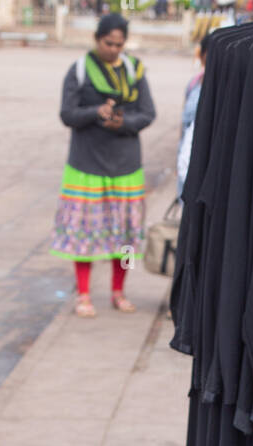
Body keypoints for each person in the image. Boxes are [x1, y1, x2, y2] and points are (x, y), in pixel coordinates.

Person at [51, 13, 156, 317]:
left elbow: (148, 113)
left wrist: (123, 122)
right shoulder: (81, 71)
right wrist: (96, 112)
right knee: (84, 233)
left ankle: (118, 291)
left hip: (126, 165)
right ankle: (83, 294)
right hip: (86, 165)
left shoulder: (134, 71)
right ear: (97, 39)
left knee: (124, 236)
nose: (113, 49)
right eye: (108, 43)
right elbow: (67, 114)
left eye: (119, 45)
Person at [177, 31, 210, 199]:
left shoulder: (227, 89)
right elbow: (183, 124)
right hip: (187, 157)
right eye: (208, 55)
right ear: (202, 55)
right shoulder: (194, 82)